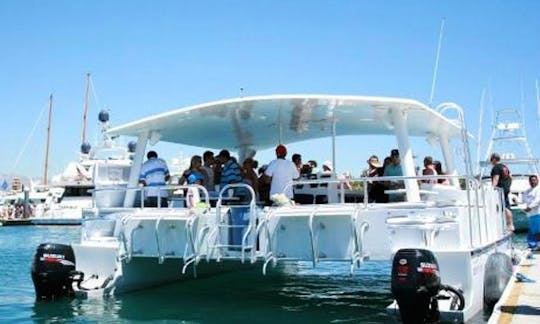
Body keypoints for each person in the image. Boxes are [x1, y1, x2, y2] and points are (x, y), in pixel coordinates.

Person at [490, 153, 514, 231]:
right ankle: (510, 225)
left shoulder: (496, 167)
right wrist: (508, 186)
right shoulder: (504, 167)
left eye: (491, 160)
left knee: (504, 207)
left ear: (494, 159)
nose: (491, 162)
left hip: (499, 190)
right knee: (507, 207)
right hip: (505, 190)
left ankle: (509, 226)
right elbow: (511, 177)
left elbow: (496, 179)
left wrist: (492, 189)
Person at [523, 175, 540, 249]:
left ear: (537, 181)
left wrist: (530, 207)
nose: (533, 181)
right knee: (534, 231)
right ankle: (537, 245)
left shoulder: (538, 189)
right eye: (531, 180)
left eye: (534, 180)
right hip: (530, 215)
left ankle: (538, 245)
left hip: (538, 213)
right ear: (529, 181)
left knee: (538, 230)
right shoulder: (527, 191)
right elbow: (523, 201)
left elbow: (537, 200)